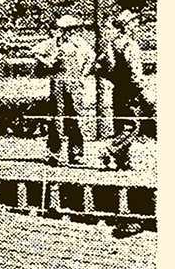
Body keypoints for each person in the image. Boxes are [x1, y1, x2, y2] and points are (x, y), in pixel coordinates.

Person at [34, 14, 94, 166]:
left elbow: (91, 57)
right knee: (56, 118)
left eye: (72, 29)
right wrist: (47, 62)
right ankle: (54, 153)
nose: (70, 32)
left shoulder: (81, 43)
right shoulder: (54, 43)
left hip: (74, 84)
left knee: (74, 118)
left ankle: (76, 153)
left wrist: (83, 73)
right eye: (66, 29)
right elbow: (36, 52)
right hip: (58, 82)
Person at [95, 9, 150, 170]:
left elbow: (99, 65)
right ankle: (109, 148)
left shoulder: (112, 43)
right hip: (130, 89)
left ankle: (123, 162)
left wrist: (113, 78)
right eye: (133, 22)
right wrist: (141, 89)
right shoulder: (130, 45)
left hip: (117, 89)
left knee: (120, 124)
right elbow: (135, 71)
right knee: (132, 126)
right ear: (127, 26)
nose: (137, 24)